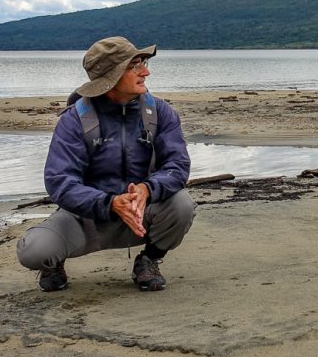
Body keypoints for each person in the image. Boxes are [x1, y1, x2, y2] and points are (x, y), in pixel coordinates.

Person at [16, 36, 195, 292]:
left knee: (182, 205)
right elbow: (60, 182)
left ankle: (149, 260)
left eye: (142, 63)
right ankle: (53, 265)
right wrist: (109, 203)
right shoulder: (74, 120)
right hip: (86, 218)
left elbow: (177, 166)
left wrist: (147, 190)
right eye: (135, 66)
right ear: (111, 77)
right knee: (34, 251)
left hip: (140, 214)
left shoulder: (159, 112)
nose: (146, 71)